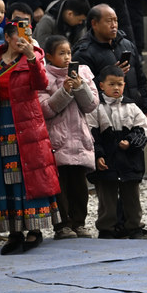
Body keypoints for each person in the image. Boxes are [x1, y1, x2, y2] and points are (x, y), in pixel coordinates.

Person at [0, 20, 60, 254]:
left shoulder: (34, 57)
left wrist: (31, 56)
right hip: (1, 122)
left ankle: (35, 230)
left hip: (26, 123)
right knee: (5, 176)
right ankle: (14, 232)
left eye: (27, 36)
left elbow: (41, 83)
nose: (23, 40)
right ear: (8, 39)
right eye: (19, 37)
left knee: (28, 175)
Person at [39, 35, 99, 239]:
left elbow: (91, 105)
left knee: (79, 185)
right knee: (60, 186)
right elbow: (45, 109)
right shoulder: (43, 76)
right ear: (49, 56)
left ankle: (79, 223)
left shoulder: (82, 72)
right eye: (61, 53)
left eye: (69, 53)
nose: (67, 57)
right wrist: (64, 91)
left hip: (79, 137)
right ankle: (62, 225)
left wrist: (80, 86)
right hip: (56, 139)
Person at [87, 65, 147, 238]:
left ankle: (134, 227)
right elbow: (91, 134)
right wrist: (98, 155)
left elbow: (143, 130)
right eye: (112, 84)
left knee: (131, 197)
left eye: (120, 84)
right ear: (101, 86)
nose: (116, 88)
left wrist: (130, 142)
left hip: (129, 160)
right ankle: (107, 228)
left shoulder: (132, 107)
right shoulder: (96, 108)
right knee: (107, 197)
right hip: (107, 160)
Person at [72, 4, 147, 119]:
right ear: (94, 24)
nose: (114, 25)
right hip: (104, 119)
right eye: (109, 21)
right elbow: (82, 92)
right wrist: (108, 77)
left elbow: (141, 81)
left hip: (135, 114)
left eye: (116, 21)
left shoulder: (127, 45)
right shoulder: (83, 53)